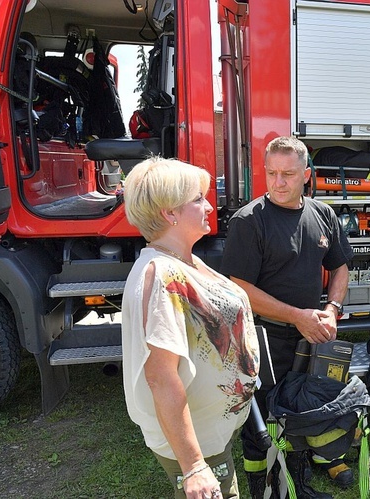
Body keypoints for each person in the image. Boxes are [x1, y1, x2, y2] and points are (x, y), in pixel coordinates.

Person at [220, 136, 353, 499]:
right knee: (262, 424)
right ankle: (263, 489)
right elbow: (240, 288)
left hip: (310, 338)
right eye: (272, 173)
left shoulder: (322, 214)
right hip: (265, 341)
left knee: (301, 412)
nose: (279, 182)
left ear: (306, 175)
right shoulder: (249, 221)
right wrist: (298, 316)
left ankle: (297, 482)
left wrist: (332, 310)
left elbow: (339, 266)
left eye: (289, 174)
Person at [121, 157, 260, 499]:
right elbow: (161, 376)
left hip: (213, 432)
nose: (209, 205)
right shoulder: (161, 276)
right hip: (200, 444)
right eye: (198, 199)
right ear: (170, 213)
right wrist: (195, 466)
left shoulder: (183, 259)